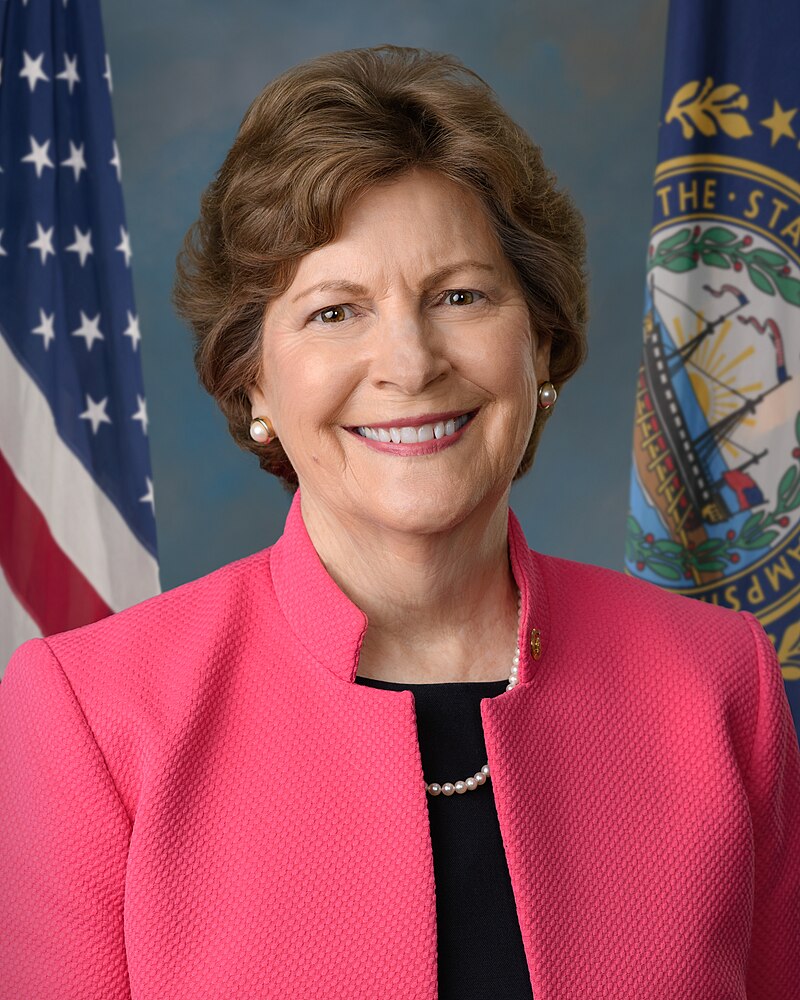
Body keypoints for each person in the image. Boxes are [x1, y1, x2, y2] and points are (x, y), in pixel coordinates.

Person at [1, 44, 798, 1000]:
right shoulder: (96, 713)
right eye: (335, 312)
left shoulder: (719, 683)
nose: (409, 363)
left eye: (460, 296)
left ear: (540, 342)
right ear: (253, 377)